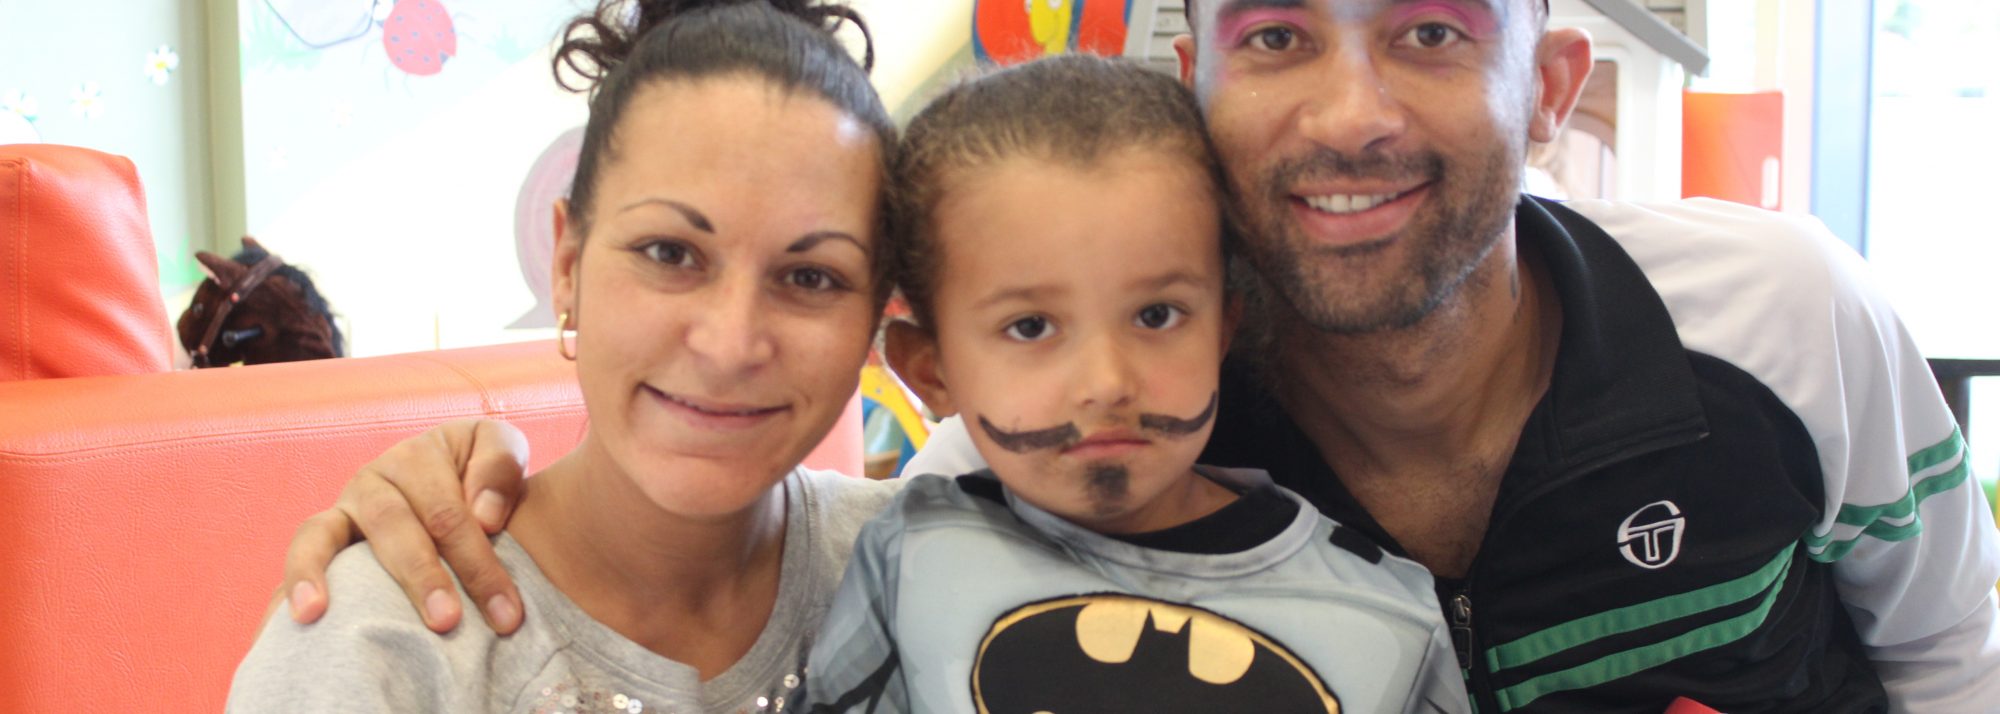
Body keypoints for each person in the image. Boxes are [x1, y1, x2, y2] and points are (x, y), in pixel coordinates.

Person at [274, 0, 2000, 711]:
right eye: (1273, 33)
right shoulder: (1017, 486)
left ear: (1548, 86)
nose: (1346, 109)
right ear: (1201, 81)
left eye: (1427, 29)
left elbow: (1960, 649)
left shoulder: (1781, 316)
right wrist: (441, 464)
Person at [227, 1, 902, 711]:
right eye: (669, 253)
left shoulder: (932, 565)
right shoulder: (378, 642)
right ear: (566, 264)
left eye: (810, 277)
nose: (730, 344)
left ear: (876, 315)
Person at [801, 54, 1466, 713]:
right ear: (932, 371)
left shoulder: (1387, 618)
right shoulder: (907, 558)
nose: (1107, 383)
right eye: (1031, 327)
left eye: (1157, 316)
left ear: (1221, 332)